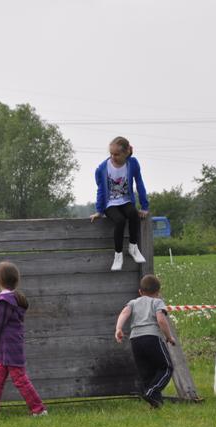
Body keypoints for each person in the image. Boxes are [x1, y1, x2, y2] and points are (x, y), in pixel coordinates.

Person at [0, 262, 47, 419]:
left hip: (8, 348)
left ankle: (39, 410)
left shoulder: (4, 301)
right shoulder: (13, 299)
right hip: (7, 349)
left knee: (20, 379)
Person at [115, 274, 176, 407]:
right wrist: (169, 337)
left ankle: (155, 403)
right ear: (158, 292)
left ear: (140, 292)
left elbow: (124, 313)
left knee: (147, 371)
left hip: (135, 340)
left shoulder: (133, 302)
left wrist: (118, 329)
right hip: (152, 337)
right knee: (166, 367)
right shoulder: (157, 302)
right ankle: (152, 392)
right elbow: (161, 320)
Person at [90, 136, 150, 271]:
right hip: (110, 203)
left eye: (117, 154)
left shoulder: (133, 163)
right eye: (111, 154)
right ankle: (118, 255)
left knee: (133, 214)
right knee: (120, 220)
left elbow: (139, 184)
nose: (113, 157)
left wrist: (144, 206)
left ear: (126, 152)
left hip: (125, 200)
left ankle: (133, 247)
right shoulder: (102, 168)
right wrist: (99, 211)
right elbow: (100, 189)